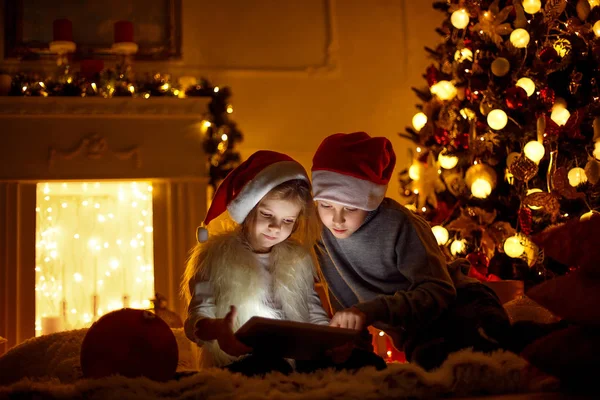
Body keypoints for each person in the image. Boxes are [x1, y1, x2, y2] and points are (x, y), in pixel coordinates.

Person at [312, 132, 511, 370]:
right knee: (434, 364)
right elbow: (346, 310)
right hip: (418, 334)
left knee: (487, 360)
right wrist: (349, 344)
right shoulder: (321, 234)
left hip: (461, 305)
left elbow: (439, 291)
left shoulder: (399, 224)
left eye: (351, 208)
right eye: (326, 205)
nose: (337, 219)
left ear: (371, 200)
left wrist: (370, 311)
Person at [181, 150, 329, 376]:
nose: (276, 227)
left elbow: (312, 312)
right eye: (267, 215)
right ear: (248, 210)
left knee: (361, 362)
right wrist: (218, 330)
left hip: (295, 359)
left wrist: (330, 339)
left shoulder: (298, 261)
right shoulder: (214, 258)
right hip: (240, 361)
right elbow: (197, 318)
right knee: (271, 366)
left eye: (288, 220)